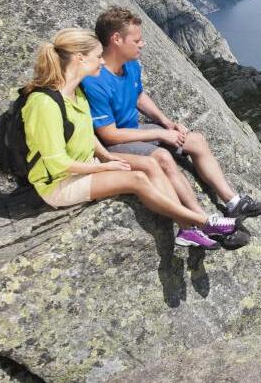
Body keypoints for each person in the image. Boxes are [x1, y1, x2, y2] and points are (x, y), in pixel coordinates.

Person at [21, 29, 233, 249]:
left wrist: (106, 156)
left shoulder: (76, 93)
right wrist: (104, 168)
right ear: (79, 58)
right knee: (137, 180)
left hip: (86, 164)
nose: (101, 62)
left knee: (151, 163)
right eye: (97, 56)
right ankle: (201, 222)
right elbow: (57, 164)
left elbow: (86, 133)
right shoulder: (43, 104)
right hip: (60, 183)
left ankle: (187, 231)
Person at [81, 7, 261, 223]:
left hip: (134, 131)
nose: (142, 44)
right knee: (163, 157)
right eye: (136, 40)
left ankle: (234, 203)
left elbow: (138, 97)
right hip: (115, 144)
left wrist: (167, 123)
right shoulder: (94, 79)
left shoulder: (130, 65)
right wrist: (162, 136)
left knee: (197, 141)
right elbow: (109, 136)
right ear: (116, 39)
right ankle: (203, 221)